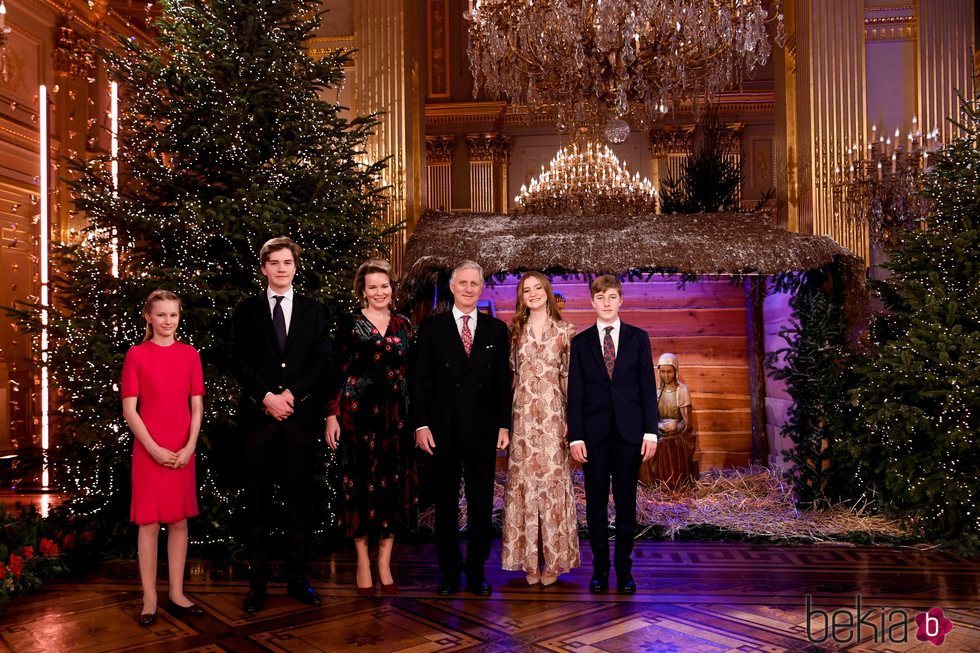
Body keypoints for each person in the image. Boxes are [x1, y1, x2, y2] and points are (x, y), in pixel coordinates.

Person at [231, 237, 331, 613]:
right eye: (274, 263)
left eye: (287, 262)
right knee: (255, 505)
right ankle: (258, 585)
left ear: (295, 266)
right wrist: (266, 397)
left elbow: (322, 362)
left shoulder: (314, 311)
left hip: (298, 420)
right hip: (259, 420)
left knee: (299, 504)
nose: (282, 268)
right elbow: (239, 361)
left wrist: (290, 394)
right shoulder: (246, 311)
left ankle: (297, 580)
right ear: (264, 267)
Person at [412, 260, 511, 596]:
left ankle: (476, 571)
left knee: (481, 504)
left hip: (483, 430)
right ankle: (450, 572)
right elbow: (419, 381)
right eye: (463, 283)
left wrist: (503, 424)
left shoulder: (496, 330)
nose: (469, 288)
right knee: (446, 504)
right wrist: (421, 425)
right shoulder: (431, 328)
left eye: (475, 284)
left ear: (481, 289)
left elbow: (502, 383)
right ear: (452, 287)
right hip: (442, 430)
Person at [325, 259, 415, 597]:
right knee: (358, 489)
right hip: (356, 418)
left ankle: (384, 564)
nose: (380, 292)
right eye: (373, 287)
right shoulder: (349, 325)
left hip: (396, 420)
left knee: (391, 490)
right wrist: (331, 415)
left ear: (392, 288)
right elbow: (338, 371)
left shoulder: (405, 324)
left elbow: (411, 373)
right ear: (362, 291)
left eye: (385, 286)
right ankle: (363, 561)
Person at [567, 275, 658, 595]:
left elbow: (648, 387)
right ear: (592, 302)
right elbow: (574, 393)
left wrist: (651, 432)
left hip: (629, 434)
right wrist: (575, 437)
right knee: (594, 506)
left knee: (625, 504)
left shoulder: (638, 338)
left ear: (621, 300)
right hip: (592, 437)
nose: (606, 303)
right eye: (600, 298)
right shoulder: (580, 343)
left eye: (612, 297)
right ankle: (600, 570)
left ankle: (624, 570)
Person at [121, 290, 205, 626]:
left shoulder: (190, 355)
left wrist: (189, 446)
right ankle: (149, 596)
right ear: (148, 317)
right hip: (149, 448)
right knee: (150, 522)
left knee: (180, 520)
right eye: (161, 315)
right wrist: (153, 448)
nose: (168, 321)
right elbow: (130, 409)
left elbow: (196, 406)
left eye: (173, 315)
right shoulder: (136, 355)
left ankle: (176, 591)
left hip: (183, 448)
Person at [502, 272, 580, 586]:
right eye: (526, 290)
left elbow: (571, 381)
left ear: (546, 292)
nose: (532, 294)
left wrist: (572, 422)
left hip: (553, 419)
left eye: (537, 288)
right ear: (521, 296)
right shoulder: (514, 331)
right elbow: (510, 378)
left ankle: (555, 563)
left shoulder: (565, 331)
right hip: (521, 420)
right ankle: (528, 562)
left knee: (552, 487)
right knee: (524, 486)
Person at [639, 353, 696, 490]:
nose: (666, 376)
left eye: (669, 371)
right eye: (662, 372)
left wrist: (675, 427)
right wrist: (657, 426)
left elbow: (687, 423)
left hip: (679, 434)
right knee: (646, 442)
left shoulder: (681, 391)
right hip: (660, 428)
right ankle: (650, 483)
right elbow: (651, 416)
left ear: (676, 371)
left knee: (664, 443)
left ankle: (668, 484)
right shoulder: (657, 391)